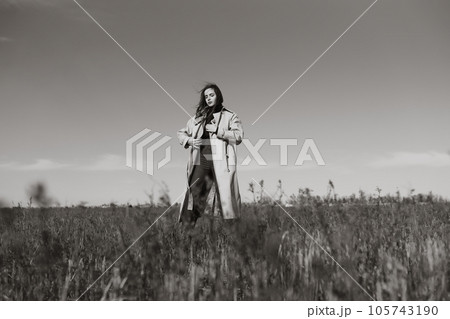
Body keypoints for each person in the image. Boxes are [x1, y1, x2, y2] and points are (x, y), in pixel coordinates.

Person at [177, 83, 243, 226]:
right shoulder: (199, 117)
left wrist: (219, 130)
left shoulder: (230, 116)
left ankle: (231, 235)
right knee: (194, 192)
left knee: (225, 199)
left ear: (218, 95)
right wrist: (189, 140)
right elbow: (181, 133)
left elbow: (238, 136)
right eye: (206, 96)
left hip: (221, 160)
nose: (208, 98)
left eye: (211, 95)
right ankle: (188, 230)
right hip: (202, 158)